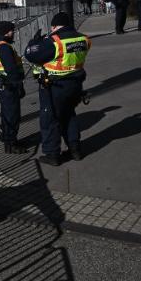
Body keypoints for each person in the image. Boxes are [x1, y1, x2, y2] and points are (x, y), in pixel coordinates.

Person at [24, 12, 91, 166]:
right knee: (69, 115)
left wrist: (34, 42)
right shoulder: (83, 39)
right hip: (75, 84)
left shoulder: (54, 42)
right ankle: (75, 150)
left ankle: (52, 154)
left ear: (54, 26)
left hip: (55, 86)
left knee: (50, 119)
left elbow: (30, 55)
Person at [0, 21, 26, 154]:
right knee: (12, 114)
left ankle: (7, 138)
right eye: (12, 31)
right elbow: (11, 69)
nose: (13, 33)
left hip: (3, 84)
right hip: (9, 86)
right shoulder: (4, 47)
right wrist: (18, 85)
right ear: (6, 32)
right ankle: (11, 143)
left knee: (6, 113)